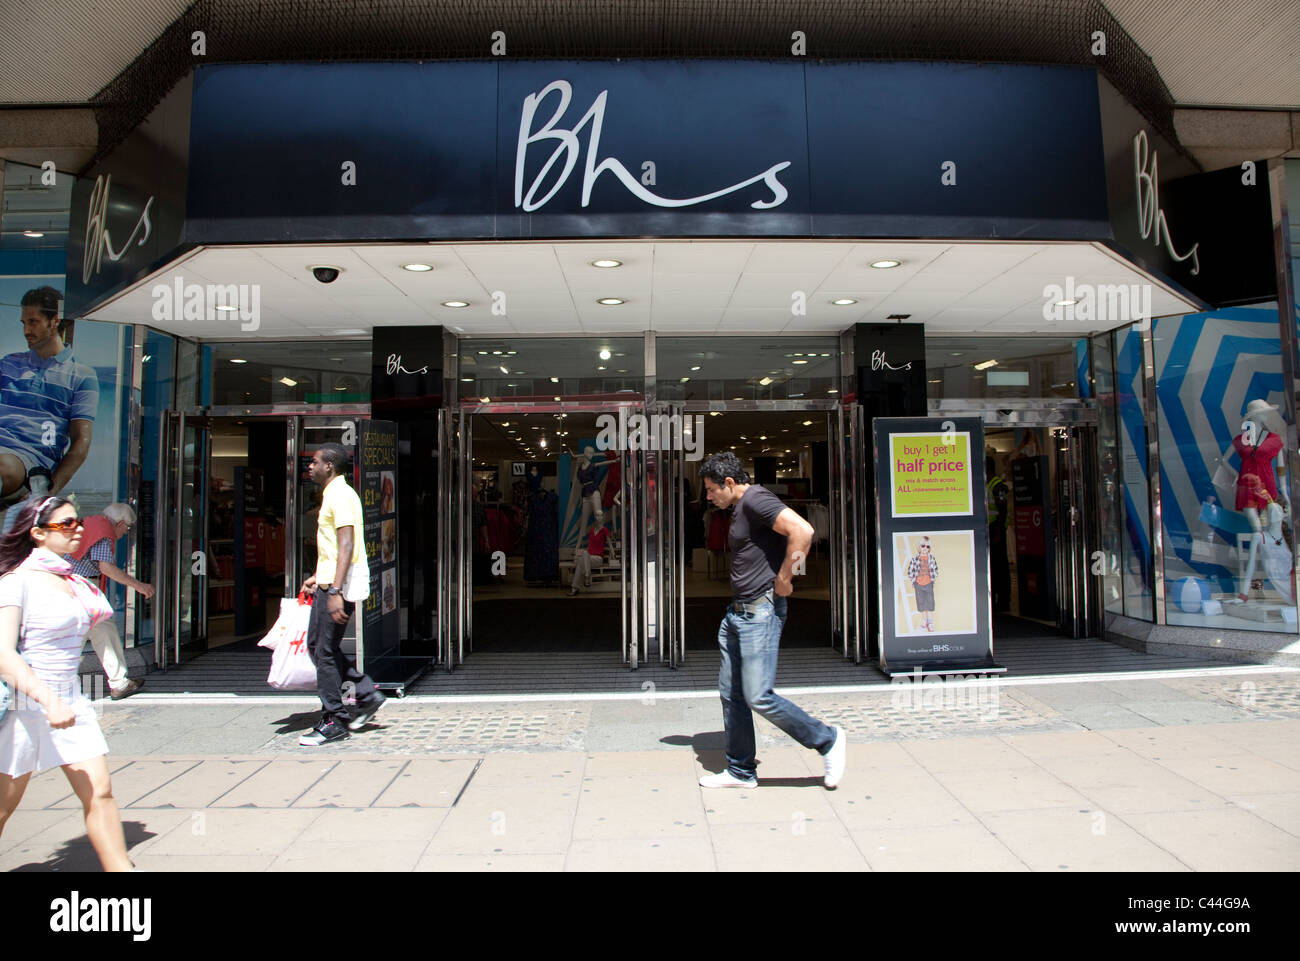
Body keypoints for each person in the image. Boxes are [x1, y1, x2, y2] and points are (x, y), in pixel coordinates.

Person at [697, 451, 846, 790]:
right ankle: (740, 771)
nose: (707, 497)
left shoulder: (756, 500)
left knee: (758, 695)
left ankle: (828, 740)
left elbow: (804, 531)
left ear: (730, 483)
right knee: (731, 693)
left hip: (759, 613)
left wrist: (787, 577)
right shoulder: (742, 506)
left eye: (710, 490)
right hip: (738, 614)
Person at [0, 496, 133, 871]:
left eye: (77, 522)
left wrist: (62, 702)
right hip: (24, 705)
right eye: (66, 524)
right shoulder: (16, 582)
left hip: (71, 699)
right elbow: (3, 654)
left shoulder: (73, 580)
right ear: (38, 533)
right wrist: (47, 700)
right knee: (3, 806)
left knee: (100, 793)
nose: (77, 529)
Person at [297, 443, 381, 746]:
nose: (310, 466)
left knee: (324, 652)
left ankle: (334, 719)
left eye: (314, 462)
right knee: (319, 647)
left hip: (336, 586)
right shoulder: (333, 493)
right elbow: (334, 547)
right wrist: (318, 577)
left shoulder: (342, 495)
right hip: (328, 582)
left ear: (329, 466)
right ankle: (366, 694)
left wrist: (334, 589)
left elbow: (346, 544)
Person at [0, 287, 97, 506]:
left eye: (33, 322)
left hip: (28, 462)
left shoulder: (81, 375)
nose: (26, 330)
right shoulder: (8, 364)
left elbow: (81, 442)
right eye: (24, 323)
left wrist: (48, 492)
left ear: (55, 320)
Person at [65, 503, 152, 700]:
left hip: (72, 585)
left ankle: (118, 681)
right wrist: (139, 585)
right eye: (127, 528)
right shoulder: (103, 532)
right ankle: (118, 682)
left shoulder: (89, 523)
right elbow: (106, 568)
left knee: (97, 632)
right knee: (95, 631)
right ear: (120, 523)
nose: (124, 533)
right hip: (82, 586)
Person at [985, 454, 1010, 613]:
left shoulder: (997, 485)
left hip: (997, 529)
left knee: (1000, 566)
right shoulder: (988, 484)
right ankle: (994, 599)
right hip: (992, 528)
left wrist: (999, 533)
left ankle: (1004, 601)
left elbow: (1002, 510)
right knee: (994, 566)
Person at [906, 536, 940, 632]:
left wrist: (933, 577)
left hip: (929, 584)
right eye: (923, 546)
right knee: (921, 604)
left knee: (929, 604)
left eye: (927, 547)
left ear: (929, 549)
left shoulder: (931, 558)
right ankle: (924, 622)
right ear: (919, 547)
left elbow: (936, 570)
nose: (925, 548)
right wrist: (914, 581)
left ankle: (930, 623)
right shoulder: (915, 559)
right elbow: (910, 571)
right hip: (919, 585)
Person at [568, 522, 612, 595]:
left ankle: (575, 588)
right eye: (597, 515)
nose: (599, 517)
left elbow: (609, 542)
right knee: (582, 558)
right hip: (589, 558)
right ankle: (585, 578)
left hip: (598, 558)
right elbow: (590, 546)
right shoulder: (592, 531)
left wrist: (612, 552)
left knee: (582, 558)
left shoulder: (604, 530)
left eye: (601, 515)